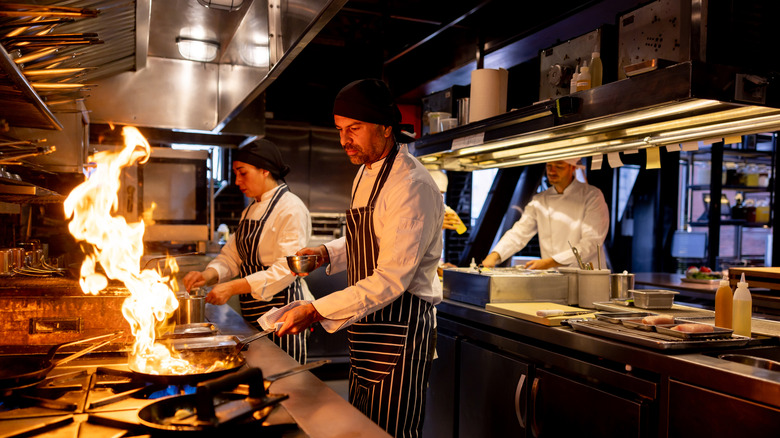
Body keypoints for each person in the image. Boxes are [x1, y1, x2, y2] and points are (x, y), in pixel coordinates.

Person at [272, 78, 444, 438]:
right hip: (367, 329)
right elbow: (368, 239)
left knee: (391, 432)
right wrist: (325, 253)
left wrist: (317, 309)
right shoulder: (365, 173)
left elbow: (391, 277)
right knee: (363, 429)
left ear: (385, 127)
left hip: (400, 331)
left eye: (354, 129)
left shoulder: (411, 186)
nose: (343, 140)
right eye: (339, 130)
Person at [182, 139, 311, 364]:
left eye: (242, 173)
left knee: (284, 378)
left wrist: (232, 287)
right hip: (253, 313)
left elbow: (287, 270)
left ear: (264, 171)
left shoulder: (291, 208)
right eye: (235, 174)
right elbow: (231, 256)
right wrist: (206, 276)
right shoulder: (250, 209)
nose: (237, 181)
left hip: (283, 314)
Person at [481, 159, 609, 270]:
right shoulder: (540, 200)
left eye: (559, 166)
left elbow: (591, 243)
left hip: (585, 278)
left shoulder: (592, 196)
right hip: (553, 278)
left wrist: (549, 262)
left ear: (573, 167)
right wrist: (494, 255)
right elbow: (519, 233)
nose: (552, 171)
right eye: (549, 166)